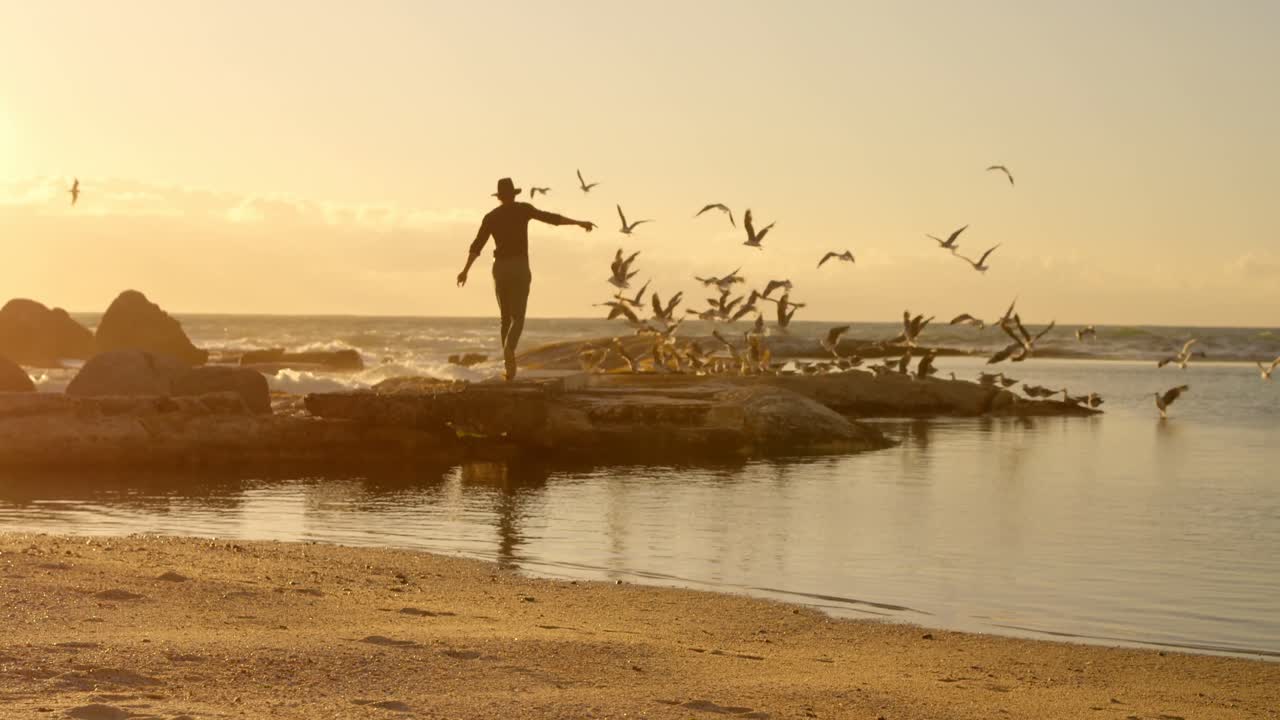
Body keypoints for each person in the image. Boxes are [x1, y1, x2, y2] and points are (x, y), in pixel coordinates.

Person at [457, 178, 595, 381]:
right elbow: (551, 218)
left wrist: (465, 270)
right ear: (514, 194)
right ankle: (509, 350)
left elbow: (477, 245)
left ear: (499, 197)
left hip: (500, 268)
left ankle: (509, 368)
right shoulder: (523, 209)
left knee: (505, 319)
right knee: (518, 317)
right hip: (519, 266)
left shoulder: (491, 217)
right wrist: (578, 222)